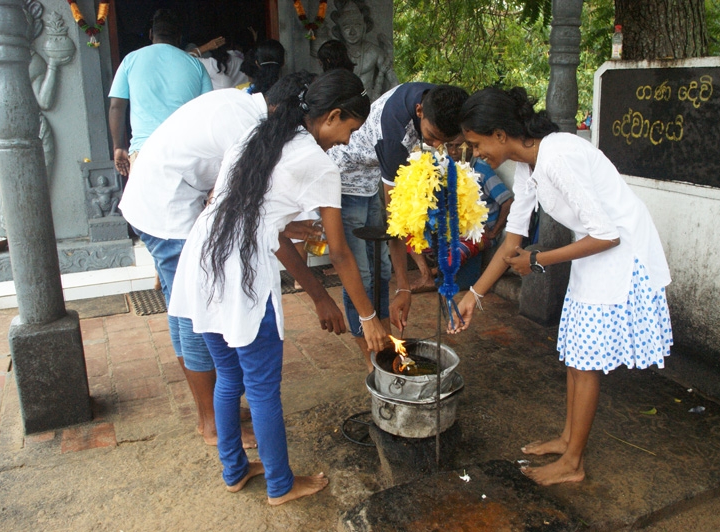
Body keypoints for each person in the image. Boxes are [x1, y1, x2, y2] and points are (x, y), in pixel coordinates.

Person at [168, 69, 388, 503]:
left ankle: (234, 469)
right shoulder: (319, 163)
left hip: (201, 263)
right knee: (263, 386)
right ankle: (281, 485)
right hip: (242, 276)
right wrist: (367, 317)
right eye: (349, 129)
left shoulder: (257, 138)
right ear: (333, 116)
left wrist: (318, 291)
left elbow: (263, 223)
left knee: (229, 376)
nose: (347, 141)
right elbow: (340, 253)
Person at [449, 87, 673, 486]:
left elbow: (608, 235)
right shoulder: (528, 164)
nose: (475, 153)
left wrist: (538, 260)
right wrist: (474, 296)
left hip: (619, 254)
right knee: (576, 355)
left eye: (476, 143)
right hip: (592, 253)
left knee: (585, 363)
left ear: (500, 134)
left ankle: (573, 462)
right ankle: (569, 438)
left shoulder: (558, 157)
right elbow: (513, 237)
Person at [119, 72, 327, 450]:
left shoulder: (242, 106)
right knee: (195, 312)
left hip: (167, 200)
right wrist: (316, 291)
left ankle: (219, 409)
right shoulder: (245, 127)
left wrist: (289, 225)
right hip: (167, 210)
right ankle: (211, 421)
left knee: (187, 310)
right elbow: (251, 216)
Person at [328, 83, 468, 371]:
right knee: (361, 273)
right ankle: (371, 357)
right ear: (419, 112)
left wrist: (421, 272)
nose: (437, 145)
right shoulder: (394, 139)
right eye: (433, 137)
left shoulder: (434, 97)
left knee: (380, 270)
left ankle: (382, 340)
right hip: (343, 177)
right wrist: (404, 286)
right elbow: (398, 221)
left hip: (370, 175)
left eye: (445, 140)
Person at [108, 9, 212, 177]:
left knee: (144, 204)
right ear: (179, 36)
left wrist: (118, 146)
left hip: (144, 152)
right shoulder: (196, 65)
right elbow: (206, 111)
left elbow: (116, 107)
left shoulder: (130, 60)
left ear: (150, 34)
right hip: (185, 154)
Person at [409, 135, 514, 292]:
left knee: (455, 253)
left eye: (459, 146)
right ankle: (427, 277)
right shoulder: (447, 166)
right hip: (455, 228)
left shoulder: (482, 170)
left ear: (470, 147)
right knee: (411, 234)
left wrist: (494, 232)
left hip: (478, 232)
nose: (453, 151)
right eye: (450, 145)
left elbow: (508, 201)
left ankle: (435, 273)